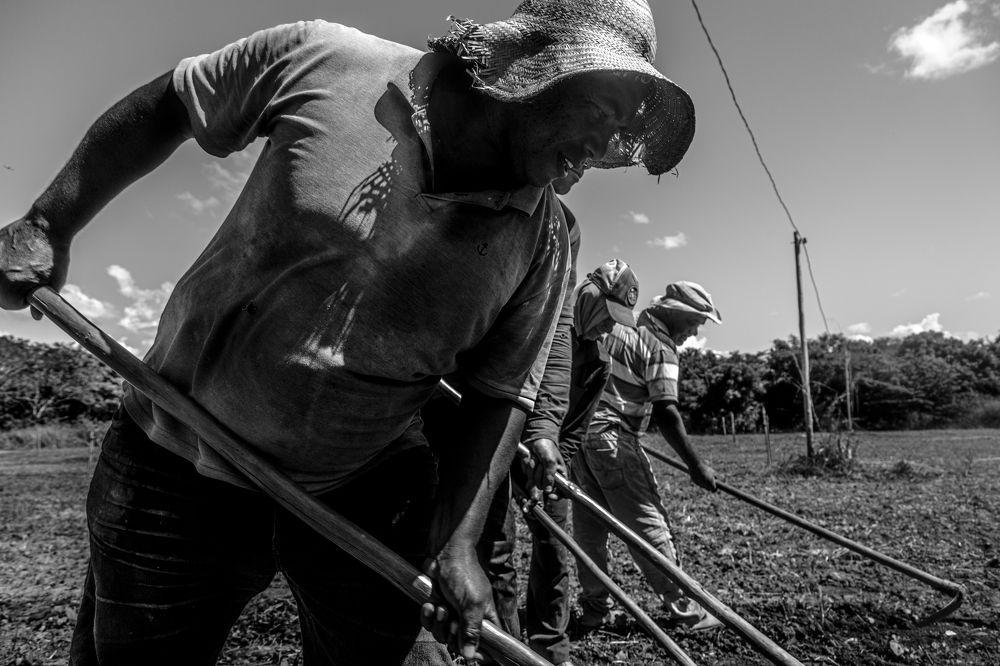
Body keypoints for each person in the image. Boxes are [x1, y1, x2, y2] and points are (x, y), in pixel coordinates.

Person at [0, 1, 696, 664]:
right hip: (176, 450)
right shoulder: (329, 61)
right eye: (602, 111)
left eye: (623, 129)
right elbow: (175, 101)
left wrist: (456, 545)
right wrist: (48, 222)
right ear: (534, 70)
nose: (605, 148)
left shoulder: (542, 241)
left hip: (366, 482)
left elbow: (499, 394)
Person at [570, 280, 723, 633]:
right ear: (674, 313)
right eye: (694, 321)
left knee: (590, 531)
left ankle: (595, 609)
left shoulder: (618, 328)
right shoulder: (660, 346)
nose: (695, 332)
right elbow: (667, 411)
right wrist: (695, 464)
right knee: (647, 525)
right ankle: (688, 610)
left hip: (581, 438)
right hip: (614, 440)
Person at [512, 257, 640, 666]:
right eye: (607, 314)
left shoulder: (599, 362)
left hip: (548, 464)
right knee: (496, 545)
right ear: (587, 293)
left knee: (553, 551)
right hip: (502, 447)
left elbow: (575, 431)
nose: (608, 327)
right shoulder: (540, 320)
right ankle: (499, 644)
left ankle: (550, 648)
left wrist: (553, 470)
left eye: (616, 321)